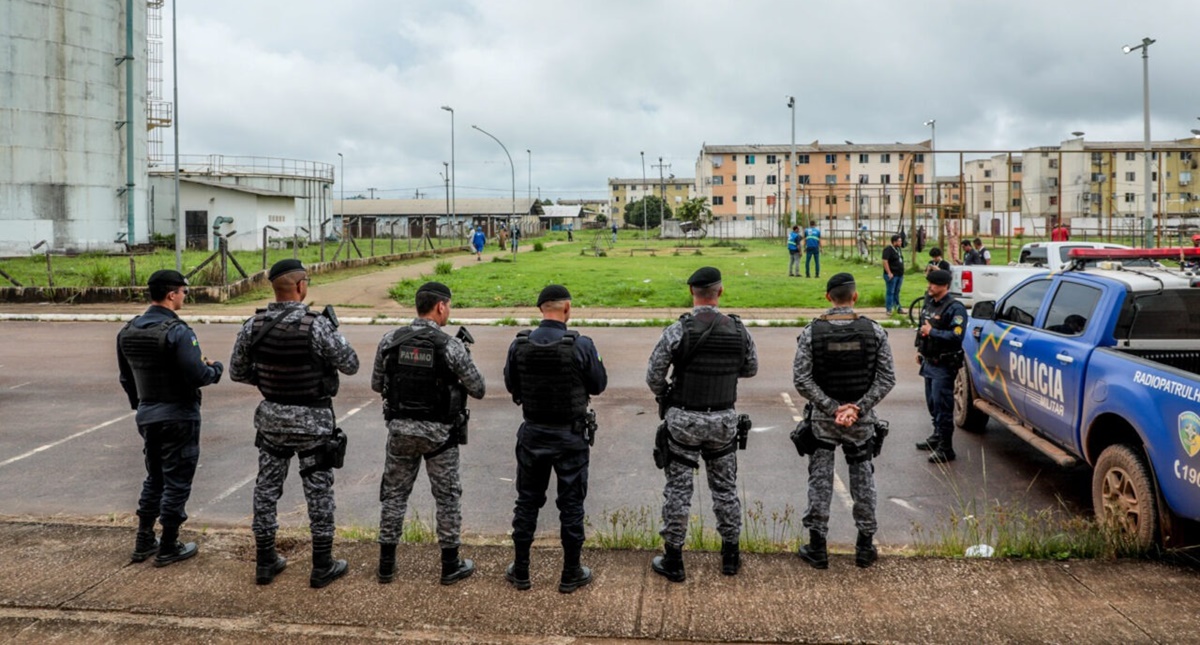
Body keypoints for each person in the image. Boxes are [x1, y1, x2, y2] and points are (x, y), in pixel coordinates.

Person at [229, 259, 360, 588]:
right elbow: (351, 364)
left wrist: (272, 382)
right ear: (301, 286)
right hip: (312, 423)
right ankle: (322, 565)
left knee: (266, 490)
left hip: (272, 421)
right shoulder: (315, 325)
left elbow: (237, 371)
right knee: (318, 493)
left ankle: (264, 562)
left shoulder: (253, 325)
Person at [646, 267, 758, 582]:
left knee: (679, 489)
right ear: (720, 292)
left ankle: (674, 560)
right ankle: (731, 556)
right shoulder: (738, 330)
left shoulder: (678, 330)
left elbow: (654, 375)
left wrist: (667, 393)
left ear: (692, 293)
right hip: (723, 420)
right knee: (724, 488)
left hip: (684, 419)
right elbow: (751, 368)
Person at [372, 282, 485, 585]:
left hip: (400, 432)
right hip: (440, 437)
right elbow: (479, 388)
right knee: (447, 498)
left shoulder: (390, 341)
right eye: (449, 306)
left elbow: (376, 383)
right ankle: (450, 566)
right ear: (440, 307)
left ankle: (386, 565)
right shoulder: (450, 346)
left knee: (394, 496)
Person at [503, 285, 608, 593]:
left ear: (541, 311)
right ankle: (571, 572)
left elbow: (512, 386)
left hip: (534, 433)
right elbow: (599, 384)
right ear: (568, 309)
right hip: (570, 436)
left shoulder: (519, 344)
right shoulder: (581, 344)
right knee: (572, 505)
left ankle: (521, 570)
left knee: (527, 502)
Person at [117, 269, 224, 567]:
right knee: (177, 480)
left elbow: (126, 378)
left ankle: (143, 539)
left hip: (148, 414)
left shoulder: (128, 331)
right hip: (179, 414)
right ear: (171, 294)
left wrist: (143, 407)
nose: (184, 297)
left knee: (155, 477)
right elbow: (198, 374)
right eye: (183, 292)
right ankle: (168, 545)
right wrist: (216, 369)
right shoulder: (178, 331)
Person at [792, 273, 896, 569]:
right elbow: (887, 378)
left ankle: (817, 548)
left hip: (824, 421)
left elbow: (801, 379)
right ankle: (864, 547)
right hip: (860, 423)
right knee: (863, 481)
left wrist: (830, 408)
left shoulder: (812, 332)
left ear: (828, 297)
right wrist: (857, 409)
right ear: (856, 296)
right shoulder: (874, 331)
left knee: (820, 481)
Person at [914, 269, 968, 463]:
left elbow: (956, 336)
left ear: (944, 286)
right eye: (929, 283)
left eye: (933, 284)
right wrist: (920, 349)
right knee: (932, 403)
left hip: (944, 364)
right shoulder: (929, 303)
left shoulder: (955, 309)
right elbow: (922, 328)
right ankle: (936, 436)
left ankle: (946, 448)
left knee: (943, 405)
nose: (929, 287)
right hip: (929, 361)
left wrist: (933, 332)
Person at [881, 234, 905, 315]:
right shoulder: (888, 249)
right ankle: (889, 309)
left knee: (896, 291)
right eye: (899, 241)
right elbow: (885, 261)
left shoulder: (898, 249)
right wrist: (889, 272)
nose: (901, 242)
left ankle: (898, 307)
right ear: (894, 242)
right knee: (890, 292)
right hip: (892, 274)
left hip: (899, 274)